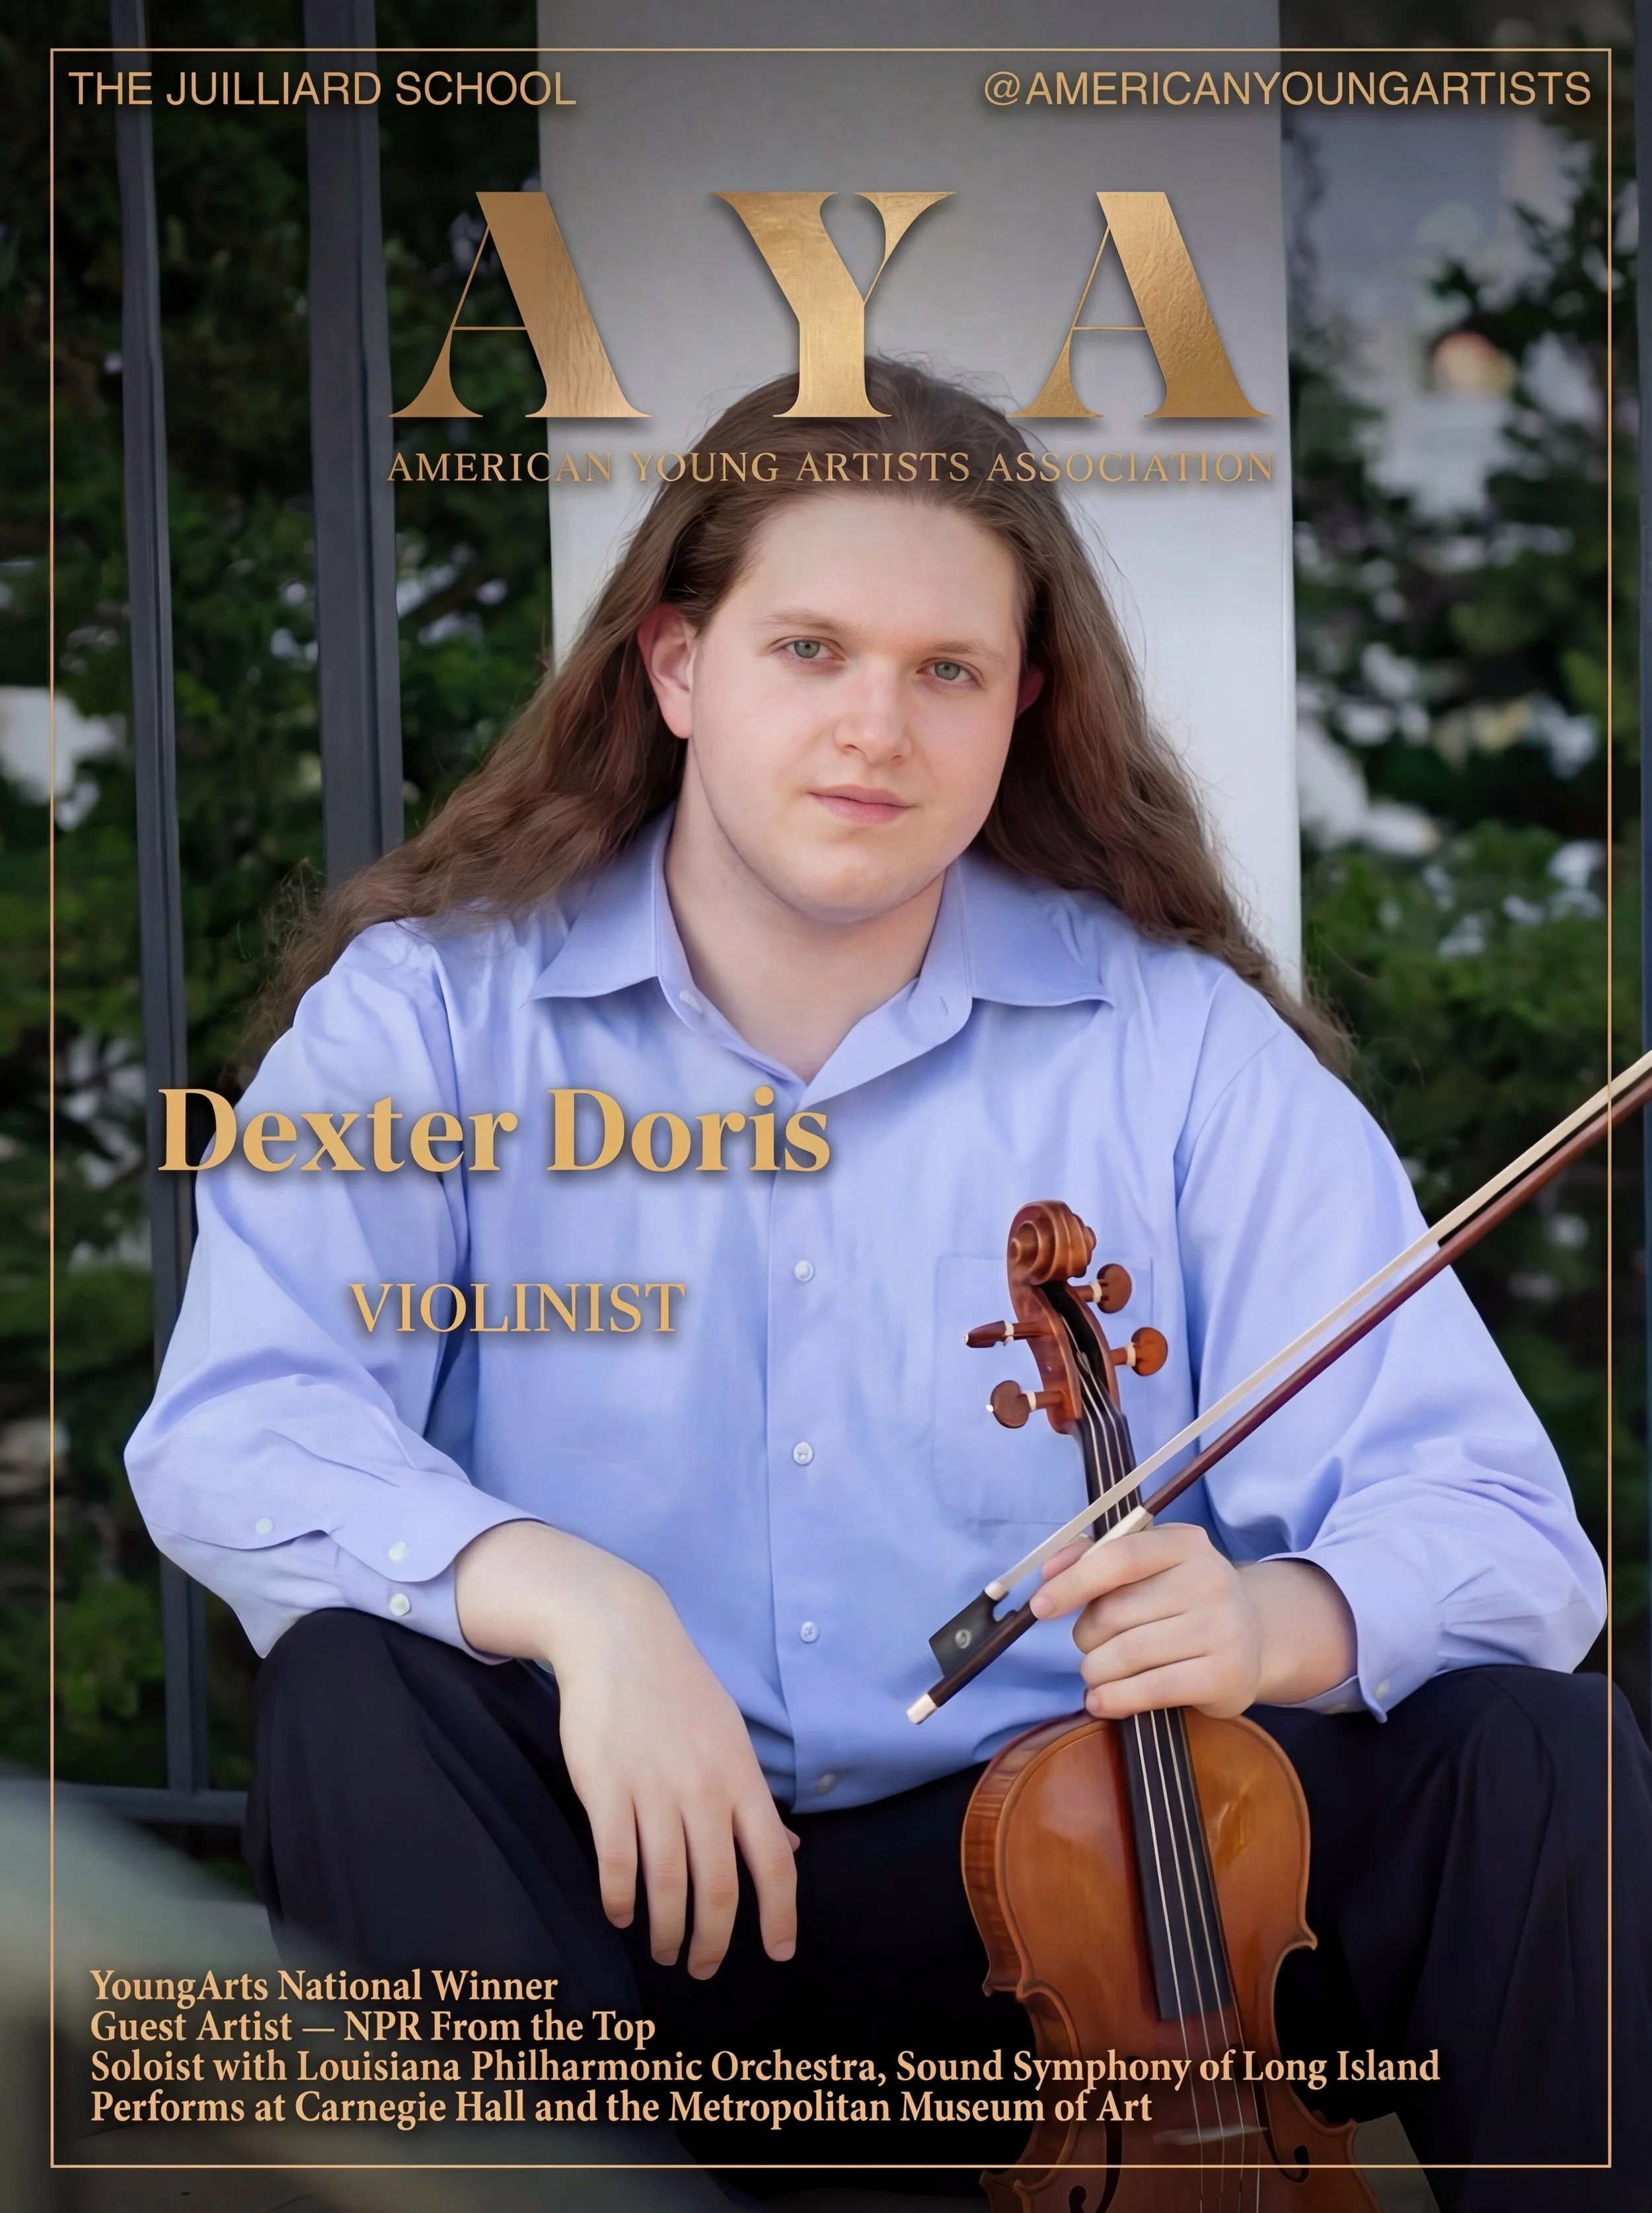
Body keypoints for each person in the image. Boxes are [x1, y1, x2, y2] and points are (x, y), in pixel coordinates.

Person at [128, 362, 1651, 2208]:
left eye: (947, 669)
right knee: (359, 1689)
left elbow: (1501, 1527)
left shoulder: (1174, 1045)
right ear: (676, 668)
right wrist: (577, 1604)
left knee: (1528, 1747)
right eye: (809, 651)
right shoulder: (435, 1013)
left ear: (1022, 705)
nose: (878, 727)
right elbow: (239, 1425)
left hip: (1085, 1921)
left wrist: (1281, 1618)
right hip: (624, 1905)